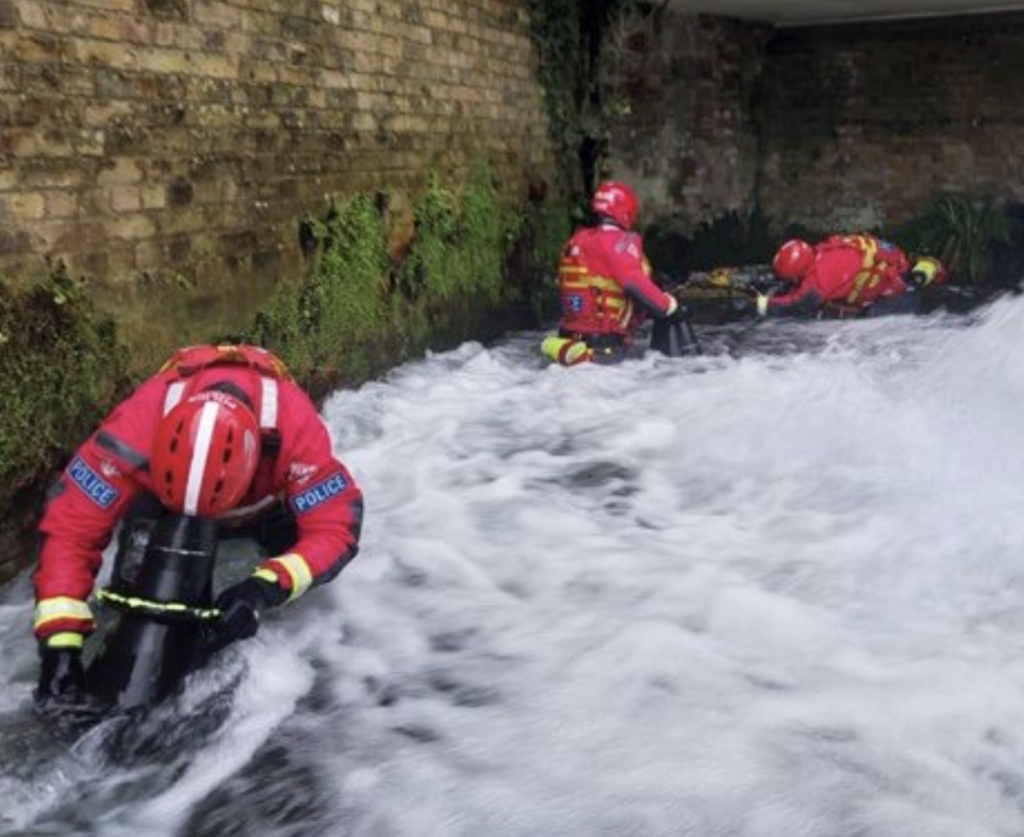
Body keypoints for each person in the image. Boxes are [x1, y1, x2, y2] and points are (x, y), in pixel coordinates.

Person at [32, 343, 364, 706]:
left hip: (261, 506)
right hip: (159, 505)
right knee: (130, 585)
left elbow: (335, 528)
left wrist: (264, 588)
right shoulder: (136, 427)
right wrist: (59, 645)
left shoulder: (294, 429)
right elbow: (71, 529)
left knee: (293, 578)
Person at [541, 180, 688, 366]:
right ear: (626, 212)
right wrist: (669, 306)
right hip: (603, 342)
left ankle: (564, 351)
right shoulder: (620, 241)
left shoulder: (579, 240)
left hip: (569, 335)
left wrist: (654, 281)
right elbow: (633, 283)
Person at [756, 234, 913, 318]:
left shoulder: (819, 281)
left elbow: (796, 306)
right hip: (895, 258)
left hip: (897, 282)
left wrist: (761, 304)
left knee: (866, 315)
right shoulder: (821, 251)